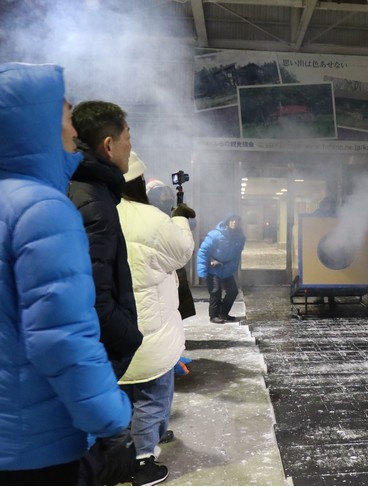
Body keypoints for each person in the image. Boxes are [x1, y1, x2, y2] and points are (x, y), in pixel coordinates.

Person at [0, 62, 131, 485]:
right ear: (31, 125)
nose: (74, 133)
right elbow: (61, 338)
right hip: (32, 443)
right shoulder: (41, 209)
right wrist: (112, 423)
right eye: (64, 117)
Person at [68, 100, 144, 485]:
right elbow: (94, 295)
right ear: (110, 145)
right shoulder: (94, 202)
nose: (132, 147)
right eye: (129, 139)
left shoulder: (87, 190)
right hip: (96, 352)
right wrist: (128, 336)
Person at [117, 153, 195, 485]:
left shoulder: (99, 212)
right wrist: (178, 218)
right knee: (153, 395)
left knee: (127, 395)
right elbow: (182, 250)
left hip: (114, 325)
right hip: (152, 328)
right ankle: (142, 461)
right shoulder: (149, 218)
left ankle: (131, 446)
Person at [147, 179, 196, 320]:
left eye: (170, 197)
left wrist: (180, 209)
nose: (168, 200)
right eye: (164, 196)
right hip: (159, 267)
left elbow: (191, 223)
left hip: (175, 269)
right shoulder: (153, 215)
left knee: (177, 307)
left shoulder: (171, 212)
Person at [197, 214, 246, 323]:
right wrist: (202, 271)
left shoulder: (239, 237)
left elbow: (237, 255)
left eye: (236, 220)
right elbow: (203, 251)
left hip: (226, 269)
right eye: (232, 220)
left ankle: (223, 313)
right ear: (227, 221)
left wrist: (232, 267)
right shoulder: (215, 235)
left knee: (233, 291)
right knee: (215, 291)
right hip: (213, 268)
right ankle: (213, 316)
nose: (234, 222)